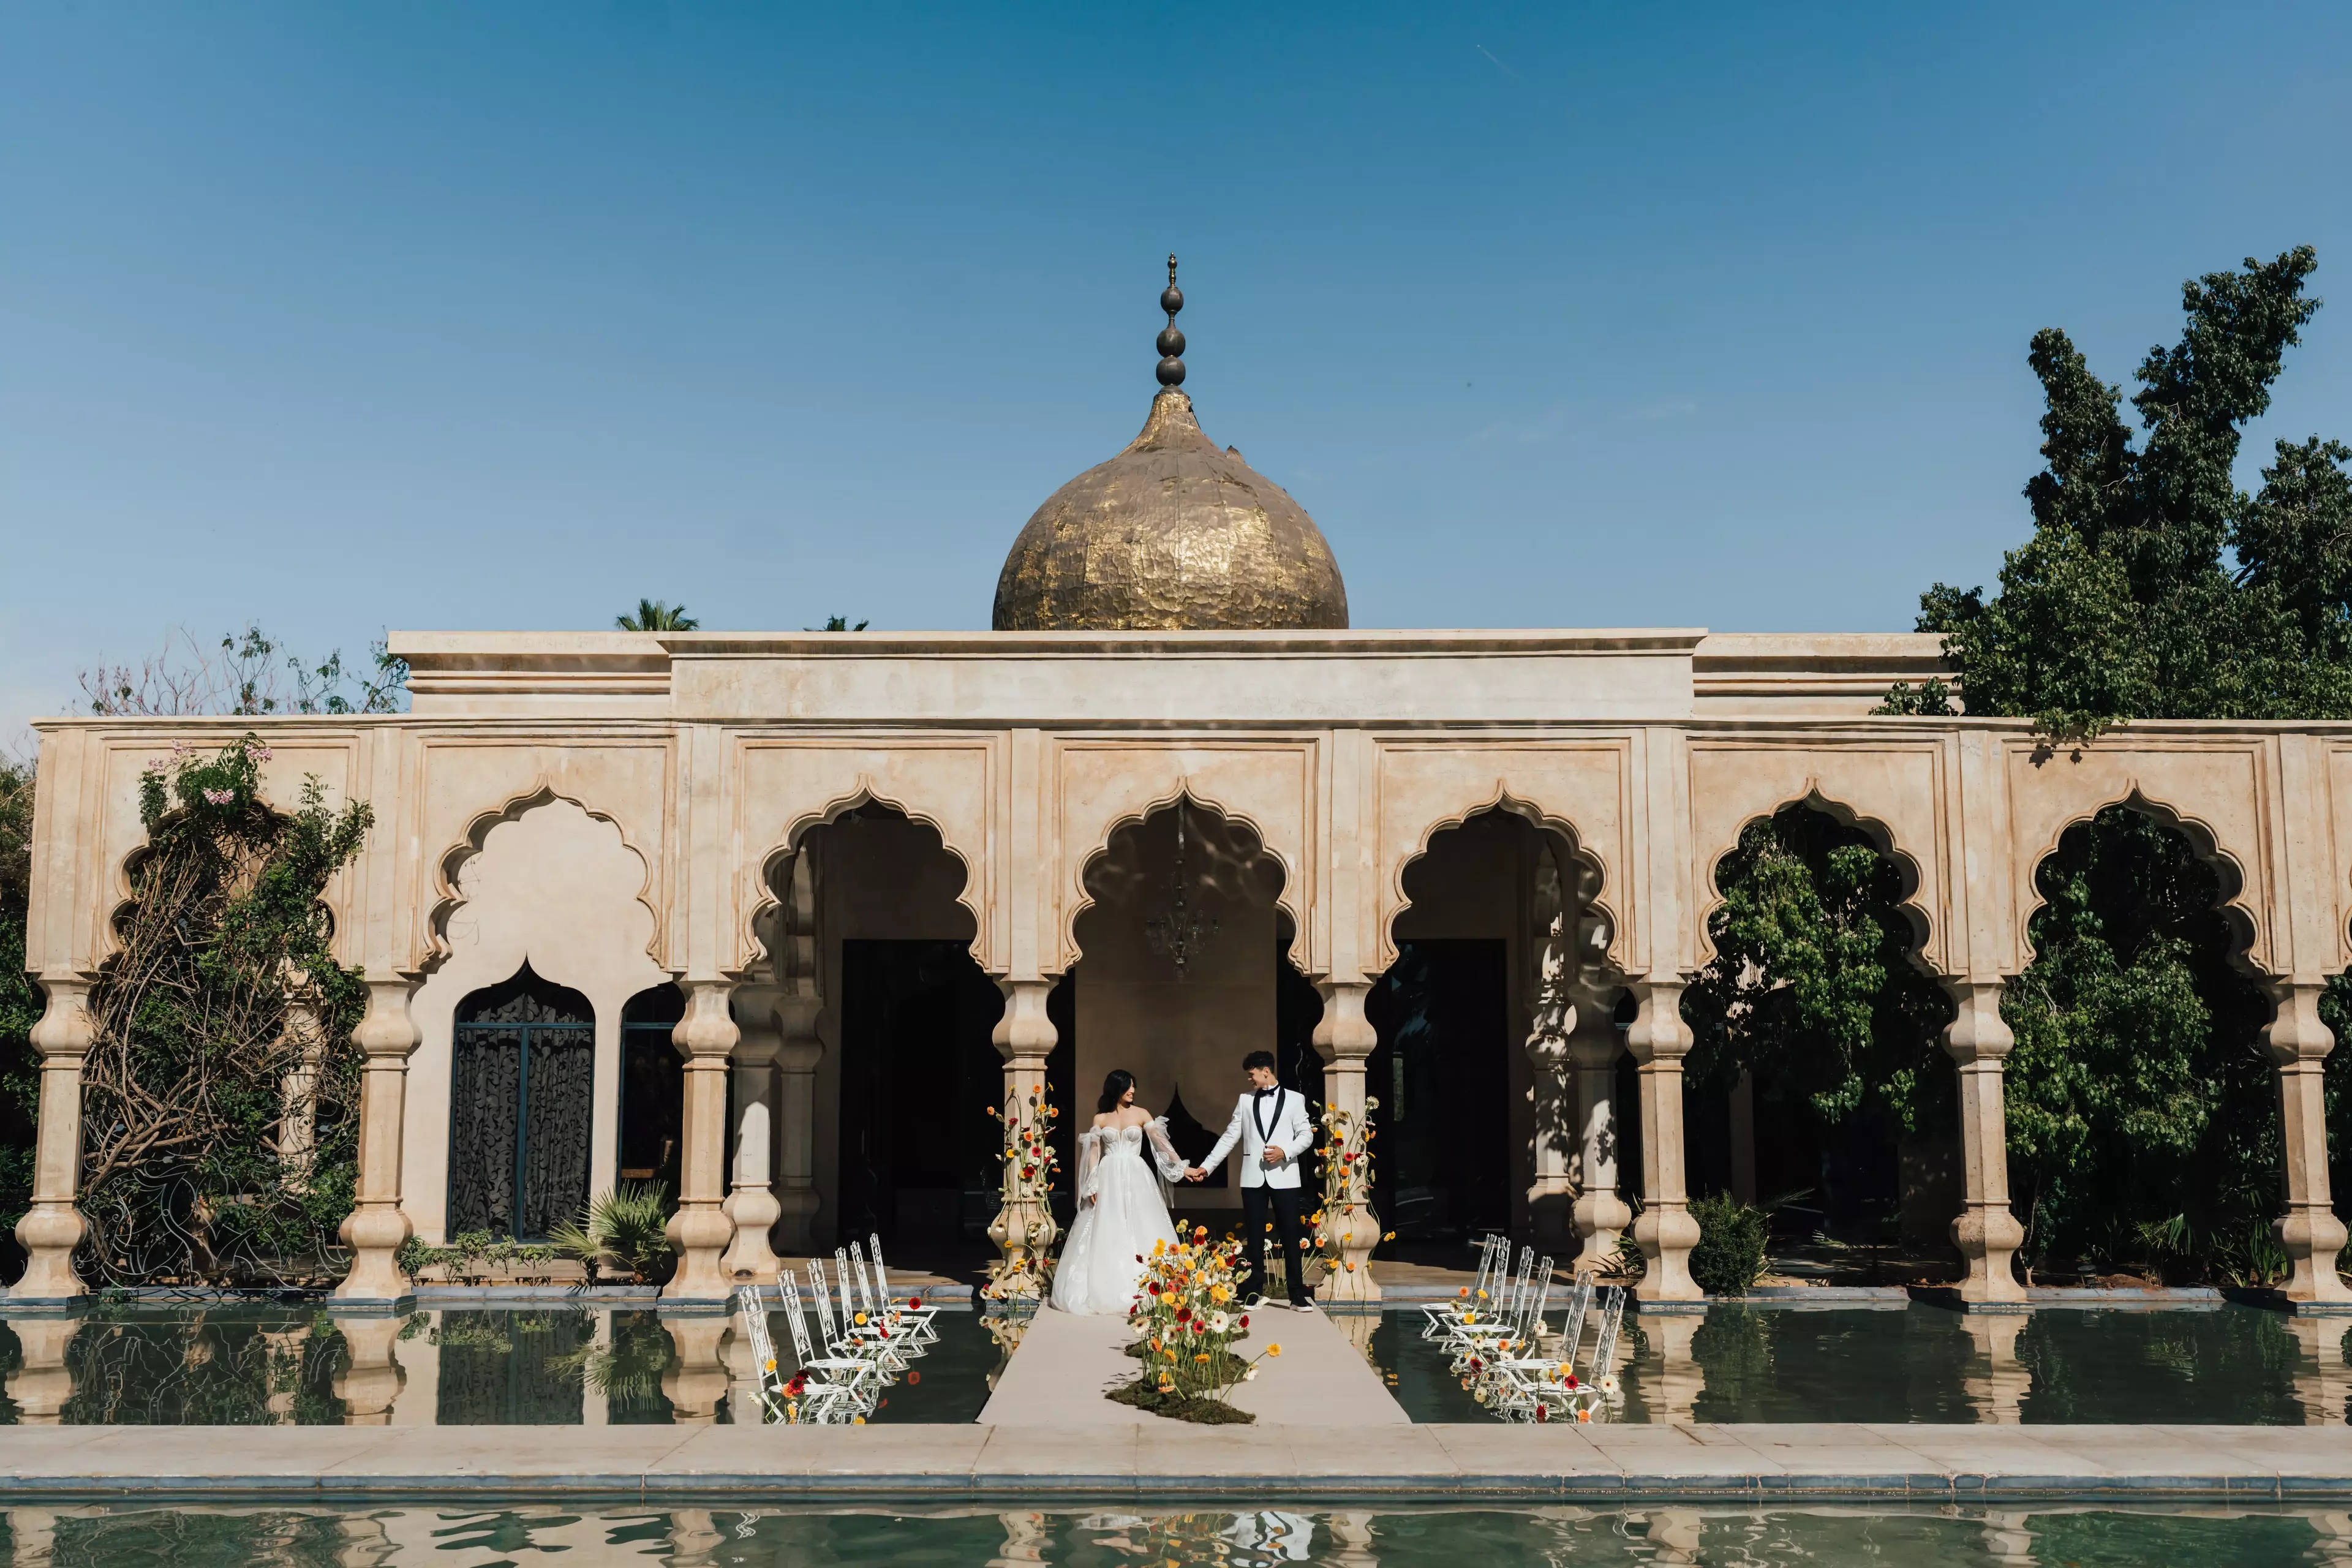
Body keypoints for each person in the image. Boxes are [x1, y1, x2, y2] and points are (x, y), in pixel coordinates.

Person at [1050, 1069, 1191, 1315]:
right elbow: (1094, 1153)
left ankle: (1154, 1286)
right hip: (1108, 1174)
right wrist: (1090, 1185)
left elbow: (1159, 1142)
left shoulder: (1142, 1113)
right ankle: (1106, 1286)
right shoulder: (1101, 1119)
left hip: (1136, 1174)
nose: (1133, 1091)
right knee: (1107, 1224)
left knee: (1142, 1223)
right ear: (1116, 1088)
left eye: (1134, 1086)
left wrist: (1182, 1167)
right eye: (1128, 1087)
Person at [1186, 1050, 1317, 1311]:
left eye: (1252, 1074)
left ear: (1265, 1071)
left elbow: (1306, 1135)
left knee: (1291, 1234)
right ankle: (1254, 1292)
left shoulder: (1295, 1099)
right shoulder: (1245, 1101)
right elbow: (1229, 1137)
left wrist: (1285, 1152)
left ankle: (1297, 1295)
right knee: (1254, 1236)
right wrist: (1206, 1167)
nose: (1250, 1079)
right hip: (1253, 1178)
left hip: (1285, 1176)